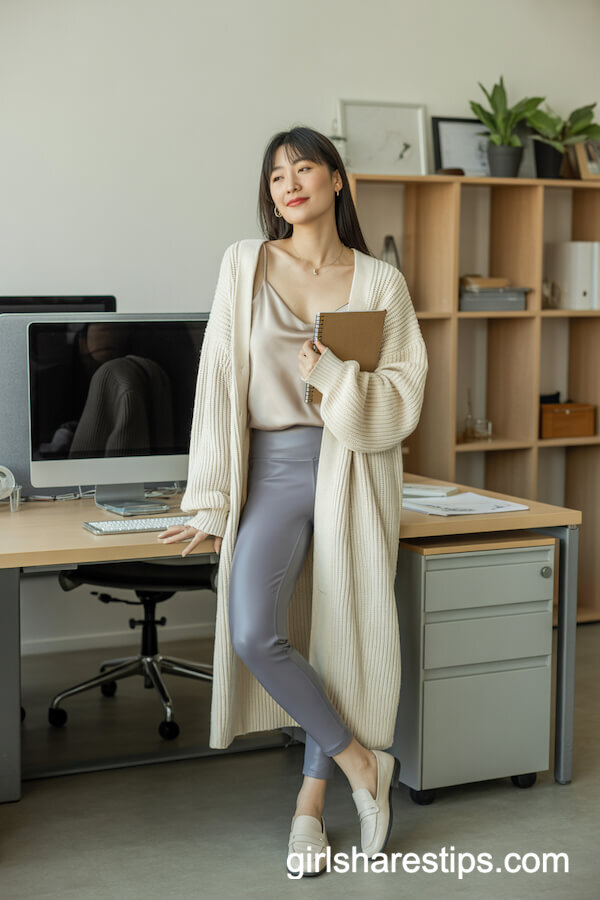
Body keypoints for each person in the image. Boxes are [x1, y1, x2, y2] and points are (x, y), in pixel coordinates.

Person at [158, 125, 428, 875]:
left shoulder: (380, 282)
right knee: (254, 632)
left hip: (353, 468)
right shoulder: (245, 264)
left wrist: (336, 378)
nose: (289, 183)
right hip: (272, 471)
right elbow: (216, 383)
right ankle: (361, 764)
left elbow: (404, 394)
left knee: (340, 636)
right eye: (277, 176)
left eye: (304, 168)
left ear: (337, 180)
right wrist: (211, 501)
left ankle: (308, 810)